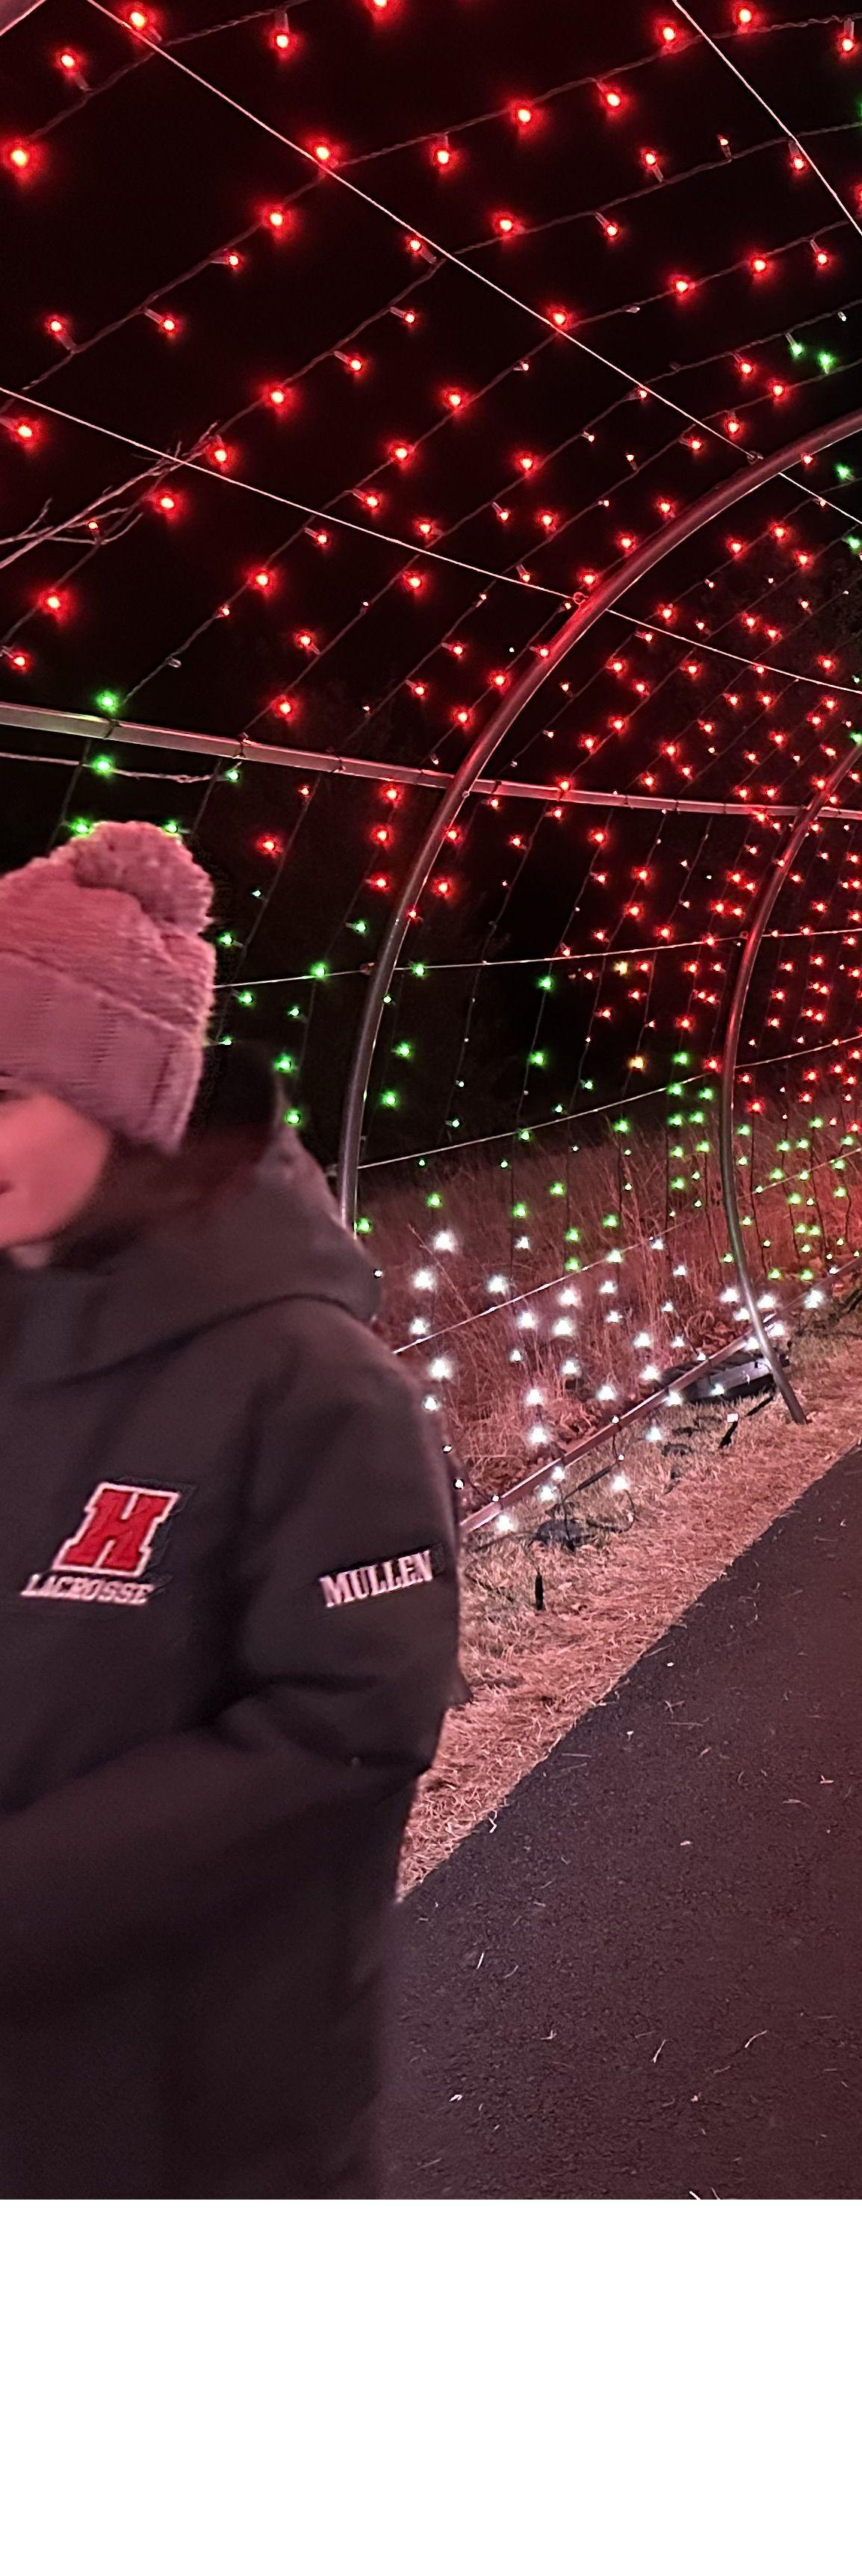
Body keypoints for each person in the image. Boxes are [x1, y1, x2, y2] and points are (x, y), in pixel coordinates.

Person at [0, 822, 459, 2197]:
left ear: (123, 1097)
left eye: (5, 1091)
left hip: (192, 2097)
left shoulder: (308, 1381)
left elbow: (346, 1729)